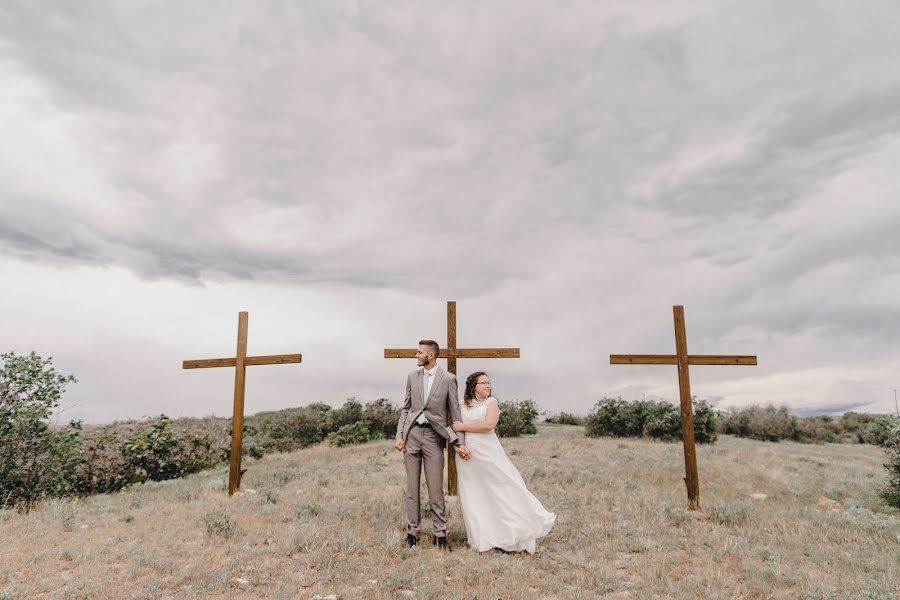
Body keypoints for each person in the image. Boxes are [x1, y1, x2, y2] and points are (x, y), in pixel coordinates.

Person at [451, 371, 556, 553]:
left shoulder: (492, 403)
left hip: (488, 452)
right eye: (483, 383)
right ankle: (483, 539)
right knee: (474, 494)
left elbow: (489, 425)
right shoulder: (461, 405)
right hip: (467, 456)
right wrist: (457, 447)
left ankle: (513, 533)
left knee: (501, 488)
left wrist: (463, 426)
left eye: (489, 383)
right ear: (473, 386)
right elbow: (453, 429)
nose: (488, 386)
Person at [394, 340, 470, 550]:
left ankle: (440, 534)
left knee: (435, 488)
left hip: (434, 438)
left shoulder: (448, 379)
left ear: (431, 355)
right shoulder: (412, 377)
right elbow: (406, 408)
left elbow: (455, 413)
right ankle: (412, 532)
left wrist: (459, 442)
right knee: (412, 487)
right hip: (412, 436)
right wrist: (400, 435)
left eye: (419, 352)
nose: (415, 355)